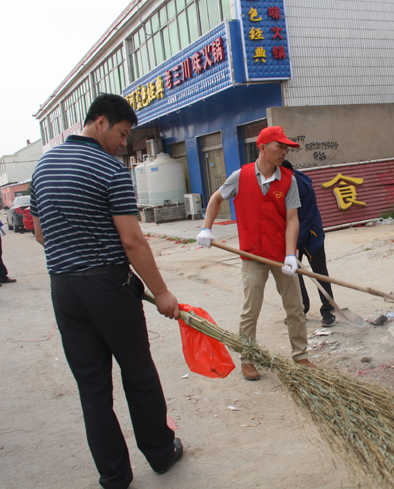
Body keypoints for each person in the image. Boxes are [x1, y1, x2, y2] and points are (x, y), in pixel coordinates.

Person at [30, 94, 183, 489]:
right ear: (101, 123)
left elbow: (41, 234)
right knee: (138, 372)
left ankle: (114, 475)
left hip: (65, 289)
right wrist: (162, 293)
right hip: (108, 287)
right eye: (122, 133)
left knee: (92, 387)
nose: (123, 143)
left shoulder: (43, 166)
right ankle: (161, 453)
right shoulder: (108, 168)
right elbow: (132, 241)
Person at [197, 126, 316, 381]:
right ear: (262, 147)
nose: (284, 152)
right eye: (280, 146)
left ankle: (300, 356)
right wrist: (206, 228)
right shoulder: (240, 177)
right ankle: (247, 359)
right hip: (252, 256)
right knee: (250, 310)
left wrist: (291, 254)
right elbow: (216, 199)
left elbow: (292, 219)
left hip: (280, 256)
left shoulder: (289, 180)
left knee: (295, 307)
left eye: (286, 148)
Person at [281, 160, 336, 327]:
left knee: (320, 273)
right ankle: (301, 308)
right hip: (292, 236)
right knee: (294, 275)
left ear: (290, 173)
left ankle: (328, 311)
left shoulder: (303, 188)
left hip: (312, 235)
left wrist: (296, 245)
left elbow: (304, 220)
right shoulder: (281, 183)